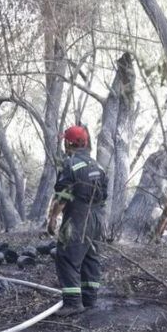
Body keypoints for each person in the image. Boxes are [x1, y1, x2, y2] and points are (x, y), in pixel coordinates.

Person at [46, 125, 108, 316]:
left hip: (78, 218)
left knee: (66, 256)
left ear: (68, 143)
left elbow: (63, 195)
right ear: (86, 142)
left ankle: (73, 302)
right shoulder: (98, 166)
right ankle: (90, 299)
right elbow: (104, 196)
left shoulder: (70, 165)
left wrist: (53, 218)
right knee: (91, 257)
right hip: (98, 217)